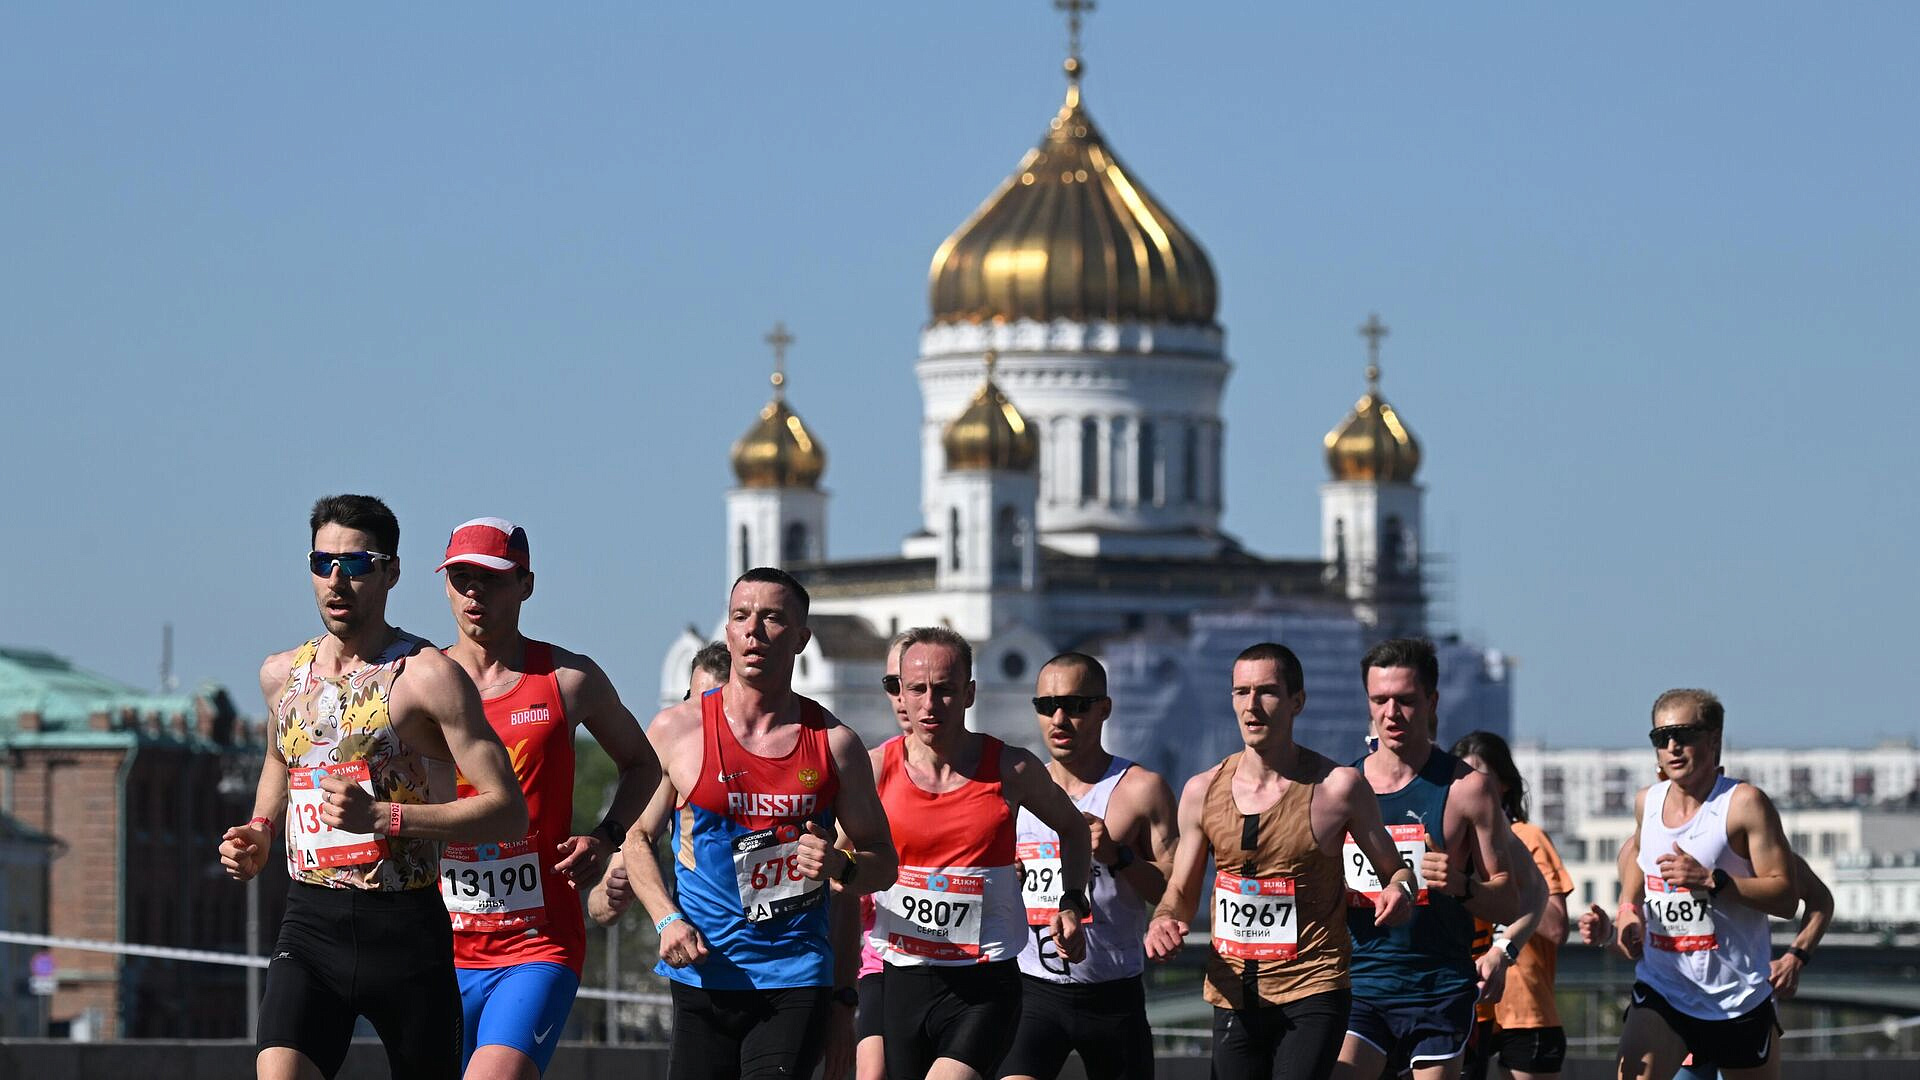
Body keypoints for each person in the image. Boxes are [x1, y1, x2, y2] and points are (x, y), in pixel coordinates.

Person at [218, 494, 528, 1080]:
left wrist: (385, 818)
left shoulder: (427, 676)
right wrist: (260, 830)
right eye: (322, 563)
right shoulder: (281, 675)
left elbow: (507, 811)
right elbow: (279, 763)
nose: (337, 581)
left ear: (391, 572)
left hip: (406, 931)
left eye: (357, 565)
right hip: (310, 923)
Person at [599, 568, 898, 1080]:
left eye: (772, 618)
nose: (753, 630)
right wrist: (666, 918)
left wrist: (842, 865)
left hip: (795, 976)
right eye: (741, 617)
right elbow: (637, 837)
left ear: (801, 637)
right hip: (702, 974)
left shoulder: (833, 742)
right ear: (729, 631)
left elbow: (883, 862)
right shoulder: (678, 730)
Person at [435, 517, 664, 1080]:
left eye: (490, 579)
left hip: (536, 944)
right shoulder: (420, 682)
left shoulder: (567, 679)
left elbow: (644, 765)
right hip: (437, 947)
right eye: (460, 579)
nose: (473, 594)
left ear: (526, 585)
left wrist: (606, 837)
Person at [1145, 642, 1417, 1080]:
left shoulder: (1339, 787)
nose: (1252, 706)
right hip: (1233, 991)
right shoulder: (1201, 791)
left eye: (1267, 691)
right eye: (1241, 692)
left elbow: (1396, 870)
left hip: (1313, 986)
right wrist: (1162, 920)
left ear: (1297, 701)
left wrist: (1400, 890)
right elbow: (1180, 891)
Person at [873, 626, 1093, 1080]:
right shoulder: (876, 767)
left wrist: (1072, 900)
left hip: (985, 981)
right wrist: (837, 866)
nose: (930, 705)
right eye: (918, 689)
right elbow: (841, 860)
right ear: (901, 692)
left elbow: (1074, 829)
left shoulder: (1012, 768)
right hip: (903, 977)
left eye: (946, 690)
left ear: (970, 693)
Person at [1570, 689, 1797, 1080]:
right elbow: (1636, 857)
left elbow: (1786, 896)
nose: (1672, 747)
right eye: (1661, 738)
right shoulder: (1648, 802)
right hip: (1665, 988)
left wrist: (1714, 880)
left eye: (1685, 735)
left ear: (1713, 739)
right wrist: (1626, 911)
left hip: (1735, 998)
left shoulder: (1743, 804)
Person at [1333, 639, 1530, 1080]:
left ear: (1431, 701)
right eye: (1379, 700)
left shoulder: (1467, 790)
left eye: (1405, 700)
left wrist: (1460, 885)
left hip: (1436, 988)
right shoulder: (1342, 788)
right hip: (1360, 985)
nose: (1391, 713)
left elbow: (1508, 902)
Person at [999, 653, 1179, 1080]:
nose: (1059, 719)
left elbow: (1172, 891)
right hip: (1032, 991)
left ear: (1104, 709)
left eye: (1076, 706)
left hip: (1112, 994)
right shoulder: (1018, 789)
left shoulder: (1140, 789)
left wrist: (1119, 856)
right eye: (1047, 706)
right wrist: (1006, 878)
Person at [1580, 781, 1831, 1080]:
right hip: (1672, 1002)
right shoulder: (1635, 856)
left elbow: (1819, 901)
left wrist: (1795, 958)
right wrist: (1609, 933)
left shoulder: (1742, 839)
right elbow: (1632, 944)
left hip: (1737, 1002)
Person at [1451, 731, 1573, 1080]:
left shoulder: (1528, 837)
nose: (1470, 787)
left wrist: (1507, 881)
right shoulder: (1454, 842)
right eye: (1461, 776)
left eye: (1480, 776)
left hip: (1525, 1008)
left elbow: (1556, 926)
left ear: (1503, 783)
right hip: (1472, 1002)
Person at [589, 643, 730, 927]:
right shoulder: (673, 751)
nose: (701, 715)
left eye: (717, 703)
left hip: (784, 947)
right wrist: (614, 894)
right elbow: (600, 904)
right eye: (693, 700)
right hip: (701, 948)